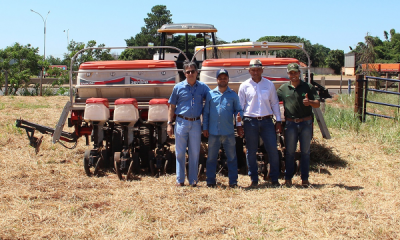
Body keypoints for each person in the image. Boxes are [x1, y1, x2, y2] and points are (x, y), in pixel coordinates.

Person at [238, 59, 282, 187]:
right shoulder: (244, 86)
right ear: (249, 71)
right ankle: (254, 179)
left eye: (258, 69)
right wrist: (239, 124)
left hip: (267, 121)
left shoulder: (269, 85)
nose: (255, 72)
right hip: (250, 121)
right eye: (253, 70)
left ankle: (274, 178)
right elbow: (240, 107)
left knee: (272, 149)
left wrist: (278, 120)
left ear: (262, 70)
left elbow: (274, 103)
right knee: (251, 151)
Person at [277, 63, 320, 187]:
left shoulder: (308, 87)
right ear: (288, 74)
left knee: (305, 152)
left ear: (299, 73)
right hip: (290, 124)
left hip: (306, 123)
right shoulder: (283, 89)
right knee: (290, 152)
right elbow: (272, 99)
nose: (293, 75)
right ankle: (288, 179)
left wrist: (310, 102)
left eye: (295, 72)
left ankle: (305, 179)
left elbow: (317, 103)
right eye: (291, 73)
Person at [167, 61, 210, 187]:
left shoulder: (203, 87)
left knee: (195, 152)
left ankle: (193, 181)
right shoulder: (178, 87)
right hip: (181, 122)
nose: (190, 73)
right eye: (188, 71)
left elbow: (212, 98)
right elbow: (172, 106)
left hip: (196, 123)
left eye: (193, 71)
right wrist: (169, 123)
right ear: (184, 73)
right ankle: (180, 180)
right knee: (180, 152)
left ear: (197, 72)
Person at [202, 69, 244, 188]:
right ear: (217, 80)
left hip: (228, 131)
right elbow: (206, 113)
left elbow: (239, 110)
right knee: (211, 158)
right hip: (213, 132)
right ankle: (210, 181)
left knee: (232, 157)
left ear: (228, 79)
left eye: (225, 78)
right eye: (220, 78)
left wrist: (239, 117)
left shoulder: (233, 95)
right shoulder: (210, 94)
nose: (222, 80)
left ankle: (233, 181)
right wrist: (205, 128)